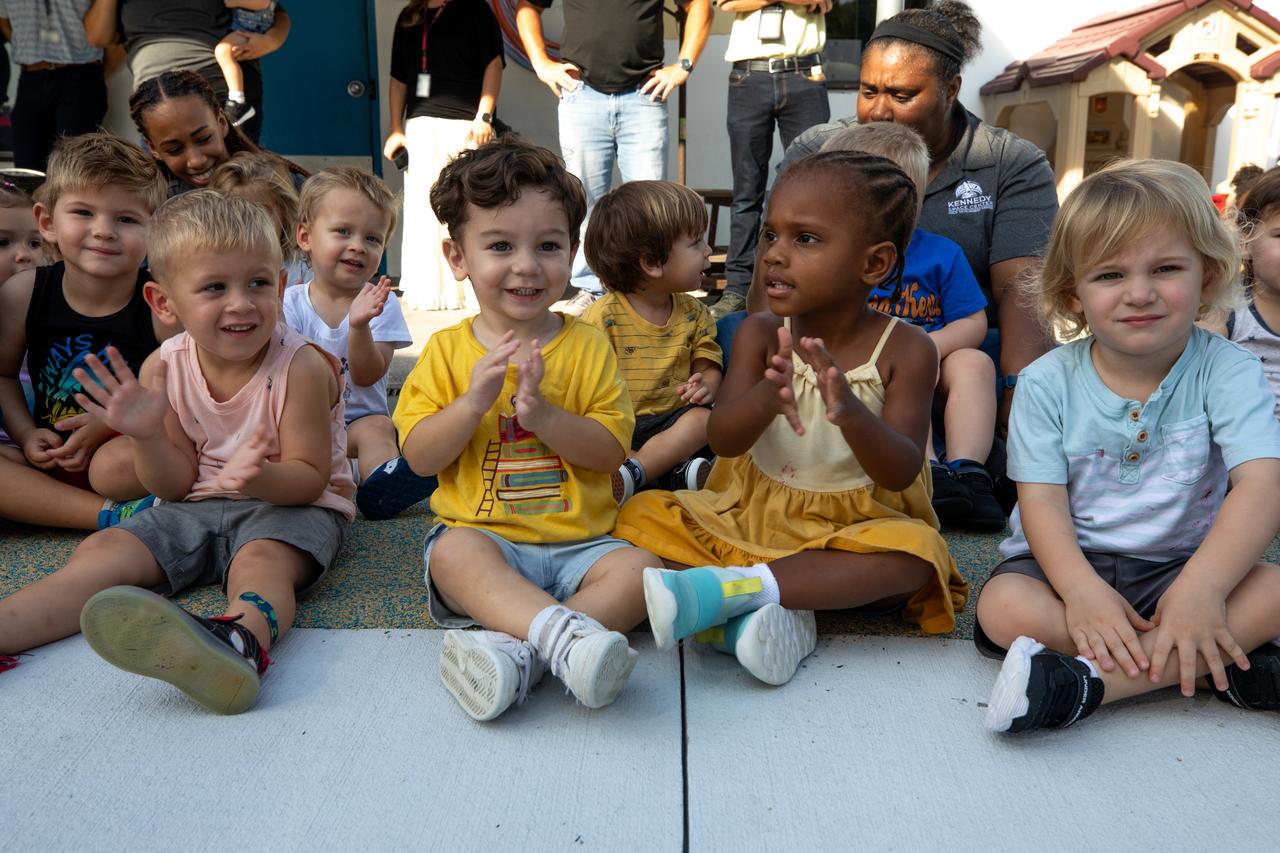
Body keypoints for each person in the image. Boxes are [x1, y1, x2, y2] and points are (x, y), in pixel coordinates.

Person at [615, 150, 967, 687]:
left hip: (856, 526)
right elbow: (724, 440)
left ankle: (734, 594)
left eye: (805, 239)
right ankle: (760, 609)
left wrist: (851, 413)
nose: (775, 255)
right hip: (752, 513)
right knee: (640, 515)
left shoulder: (909, 349)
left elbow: (899, 471)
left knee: (919, 556)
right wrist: (762, 400)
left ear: (873, 264)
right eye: (771, 236)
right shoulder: (759, 333)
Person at [0, 190, 356, 708]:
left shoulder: (300, 367)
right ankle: (9, 628)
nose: (240, 302)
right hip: (193, 505)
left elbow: (308, 477)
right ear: (164, 302)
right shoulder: (164, 366)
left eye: (258, 283)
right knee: (104, 552)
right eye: (214, 287)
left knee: (262, 563)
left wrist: (256, 476)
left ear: (281, 287)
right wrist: (146, 436)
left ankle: (239, 639)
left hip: (289, 506)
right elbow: (173, 483)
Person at [977, 160, 1280, 734]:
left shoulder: (1230, 372)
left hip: (1182, 566)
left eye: (1166, 268)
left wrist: (1203, 588)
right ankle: (1214, 663)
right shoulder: (1045, 381)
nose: (1140, 293)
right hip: (1064, 568)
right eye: (1110, 275)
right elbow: (1040, 501)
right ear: (1072, 293)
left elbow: (1262, 484)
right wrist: (1081, 591)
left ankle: (1083, 686)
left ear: (1208, 272)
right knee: (1002, 608)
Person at [394, 137, 660, 722]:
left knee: (642, 570)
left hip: (584, 547)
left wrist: (542, 416)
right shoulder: (442, 353)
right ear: (457, 257)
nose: (526, 265)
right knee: (452, 552)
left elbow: (611, 452)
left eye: (548, 245)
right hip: (489, 542)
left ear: (571, 251)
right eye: (499, 245)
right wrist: (471, 405)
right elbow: (418, 458)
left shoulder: (589, 346)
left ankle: (524, 657)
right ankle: (566, 637)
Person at [775, 1, 1057, 434]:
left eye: (902, 96)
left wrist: (1018, 393)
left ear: (950, 90)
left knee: (995, 357)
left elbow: (1022, 289)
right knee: (742, 333)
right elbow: (773, 264)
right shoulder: (818, 151)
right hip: (832, 344)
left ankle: (966, 475)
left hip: (953, 351)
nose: (880, 111)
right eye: (869, 91)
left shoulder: (1009, 162)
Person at [820, 122, 1001, 530]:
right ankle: (928, 474)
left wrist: (926, 347)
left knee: (975, 362)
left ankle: (969, 470)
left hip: (934, 359)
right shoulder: (835, 259)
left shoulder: (940, 253)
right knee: (901, 377)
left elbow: (973, 320)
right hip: (865, 373)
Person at [0, 132, 169, 531]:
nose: (104, 230)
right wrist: (26, 435)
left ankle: (94, 506)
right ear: (47, 222)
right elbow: (4, 374)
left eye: (126, 219)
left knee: (113, 468)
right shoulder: (24, 293)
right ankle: (109, 516)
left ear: (155, 233)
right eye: (83, 213)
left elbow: (180, 388)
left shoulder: (159, 303)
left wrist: (110, 425)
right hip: (49, 453)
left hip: (128, 453)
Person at [516, 0, 713, 314]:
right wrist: (540, 62)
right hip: (581, 94)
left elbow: (701, 5)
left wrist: (683, 66)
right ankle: (590, 289)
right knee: (583, 200)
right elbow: (527, 7)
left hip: (644, 95)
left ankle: (644, 291)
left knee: (651, 208)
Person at [285, 166, 436, 520]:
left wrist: (359, 326)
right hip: (306, 430)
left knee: (379, 427)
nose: (358, 246)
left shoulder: (381, 304)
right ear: (305, 237)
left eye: (372, 238)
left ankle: (382, 486)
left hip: (357, 434)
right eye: (342, 232)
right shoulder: (289, 304)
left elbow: (368, 375)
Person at [581, 180, 720, 501]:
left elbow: (707, 361)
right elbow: (586, 388)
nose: (708, 251)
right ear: (652, 263)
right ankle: (669, 476)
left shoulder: (694, 313)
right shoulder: (603, 318)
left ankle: (636, 473)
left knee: (705, 419)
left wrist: (707, 384)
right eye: (696, 243)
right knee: (596, 436)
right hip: (619, 423)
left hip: (675, 423)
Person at [710, 0, 831, 320]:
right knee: (746, 191)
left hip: (806, 74)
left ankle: (808, 283)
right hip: (749, 76)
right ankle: (737, 288)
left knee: (812, 190)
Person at [384, 0, 504, 312]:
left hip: (466, 125)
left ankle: (470, 289)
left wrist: (485, 117)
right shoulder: (409, 16)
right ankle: (428, 291)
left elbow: (494, 63)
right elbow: (398, 78)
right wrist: (396, 129)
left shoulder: (476, 10)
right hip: (420, 125)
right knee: (424, 208)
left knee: (466, 207)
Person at [84, 0, 291, 143]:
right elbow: (98, 37)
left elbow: (272, 9)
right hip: (155, 103)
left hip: (224, 99)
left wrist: (272, 40)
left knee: (233, 192)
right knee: (170, 196)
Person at [129, 69, 306, 198]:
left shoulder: (277, 184)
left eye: (204, 139)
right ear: (153, 148)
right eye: (175, 149)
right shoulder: (148, 201)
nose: (196, 161)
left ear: (221, 123)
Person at [0, 0, 108, 172]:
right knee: (28, 170)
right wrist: (28, 49)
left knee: (76, 168)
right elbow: (3, 21)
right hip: (30, 77)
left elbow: (111, 31)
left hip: (80, 74)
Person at [208, 151, 309, 286]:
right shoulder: (210, 269)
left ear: (284, 215)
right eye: (235, 216)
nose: (249, 227)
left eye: (261, 215)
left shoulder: (304, 269)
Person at [0, 182, 44, 452]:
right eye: (2, 242)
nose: (24, 255)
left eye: (34, 242)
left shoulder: (48, 310)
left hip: (46, 439)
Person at [214, 0, 276, 127]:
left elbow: (263, 3)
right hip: (239, 25)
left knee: (223, 51)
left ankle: (238, 103)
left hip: (251, 28)